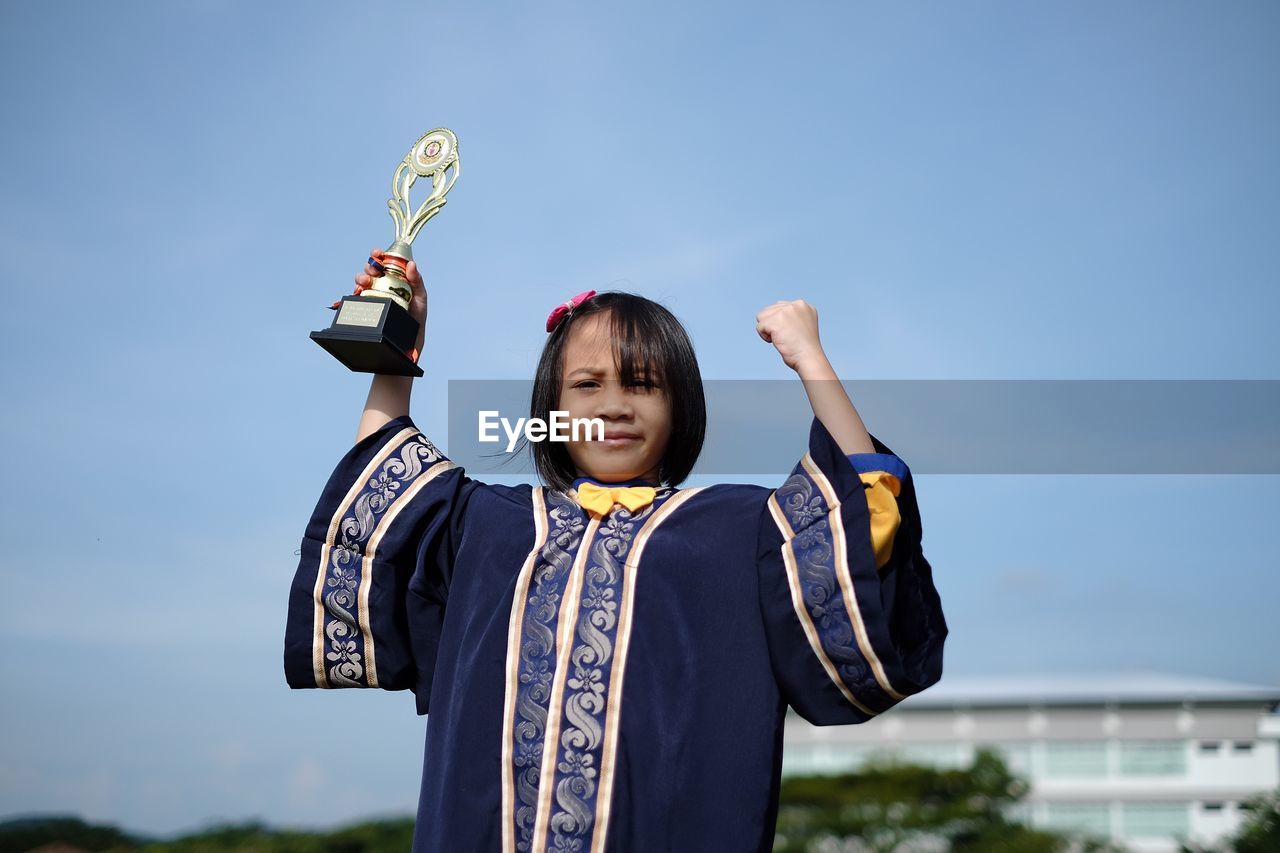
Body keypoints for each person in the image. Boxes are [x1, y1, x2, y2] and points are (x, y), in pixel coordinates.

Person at [284, 249, 948, 852]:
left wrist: (812, 360)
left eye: (642, 383)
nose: (614, 404)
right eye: (587, 384)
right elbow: (381, 495)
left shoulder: (740, 530)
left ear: (679, 404)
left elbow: (861, 514)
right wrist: (397, 349)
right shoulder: (486, 522)